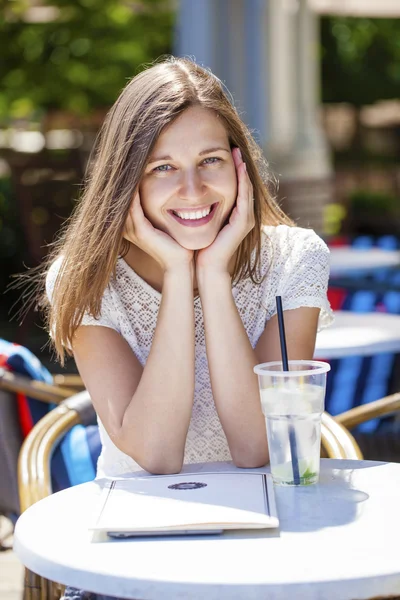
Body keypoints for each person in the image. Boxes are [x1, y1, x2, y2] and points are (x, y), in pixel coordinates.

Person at [43, 55, 333, 600]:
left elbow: (255, 447)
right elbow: (154, 455)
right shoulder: (83, 278)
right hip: (132, 560)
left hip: (271, 551)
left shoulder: (294, 259)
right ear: (125, 182)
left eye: (210, 161)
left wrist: (215, 277)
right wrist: (180, 277)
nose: (194, 190)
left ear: (240, 165)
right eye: (162, 168)